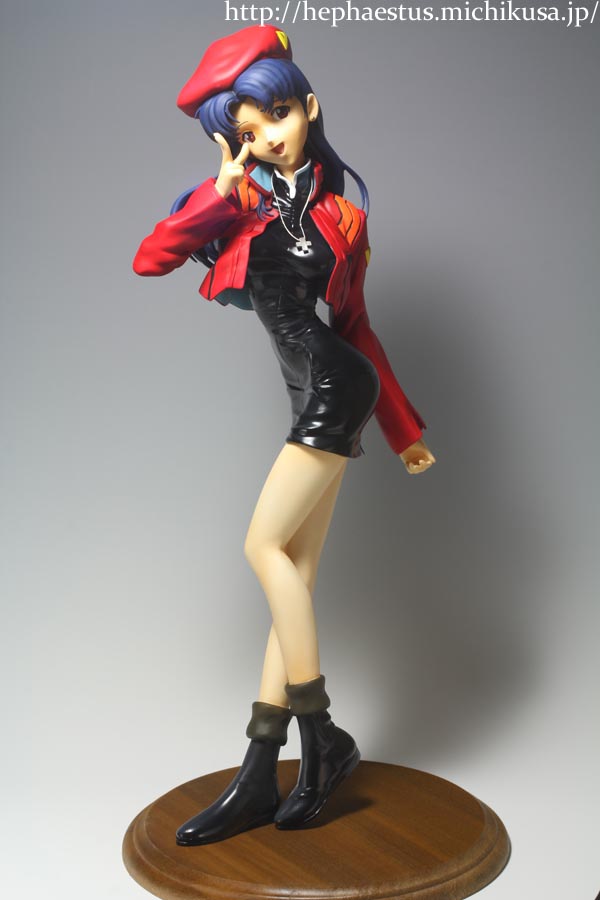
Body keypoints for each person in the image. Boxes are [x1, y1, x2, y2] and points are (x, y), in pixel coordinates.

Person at [133, 24, 436, 846]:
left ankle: (322, 734)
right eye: (247, 129)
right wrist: (221, 189)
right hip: (307, 389)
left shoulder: (344, 216)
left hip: (336, 385)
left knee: (262, 549)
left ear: (309, 107)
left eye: (276, 115)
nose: (266, 136)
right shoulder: (236, 203)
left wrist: (402, 428)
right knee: (293, 572)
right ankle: (260, 772)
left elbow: (356, 327)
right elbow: (150, 259)